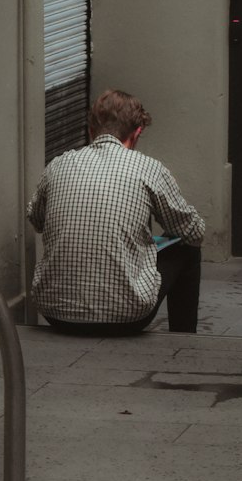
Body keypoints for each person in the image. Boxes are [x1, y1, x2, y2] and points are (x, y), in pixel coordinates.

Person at [26, 88, 205, 335]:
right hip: (127, 318)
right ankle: (184, 339)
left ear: (91, 131)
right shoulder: (149, 168)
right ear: (137, 132)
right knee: (187, 249)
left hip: (56, 315)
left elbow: (36, 219)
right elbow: (194, 232)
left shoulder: (57, 164)